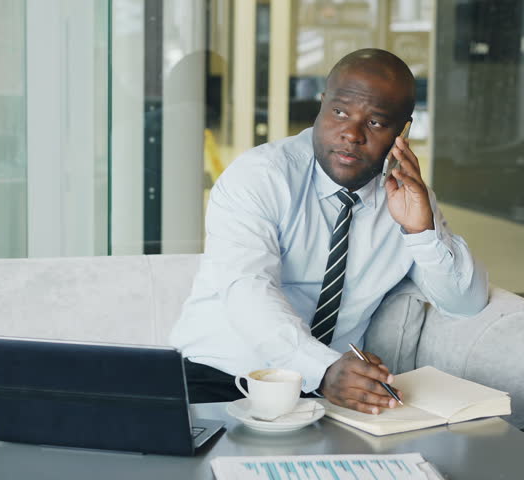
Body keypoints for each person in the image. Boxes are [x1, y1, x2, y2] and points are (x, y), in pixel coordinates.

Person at [169, 48, 488, 415]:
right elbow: (248, 289)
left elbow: (466, 303)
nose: (351, 134)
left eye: (376, 122)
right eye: (339, 113)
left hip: (327, 396)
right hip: (222, 377)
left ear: (403, 131)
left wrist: (422, 232)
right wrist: (320, 368)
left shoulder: (406, 198)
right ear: (321, 106)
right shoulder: (261, 176)